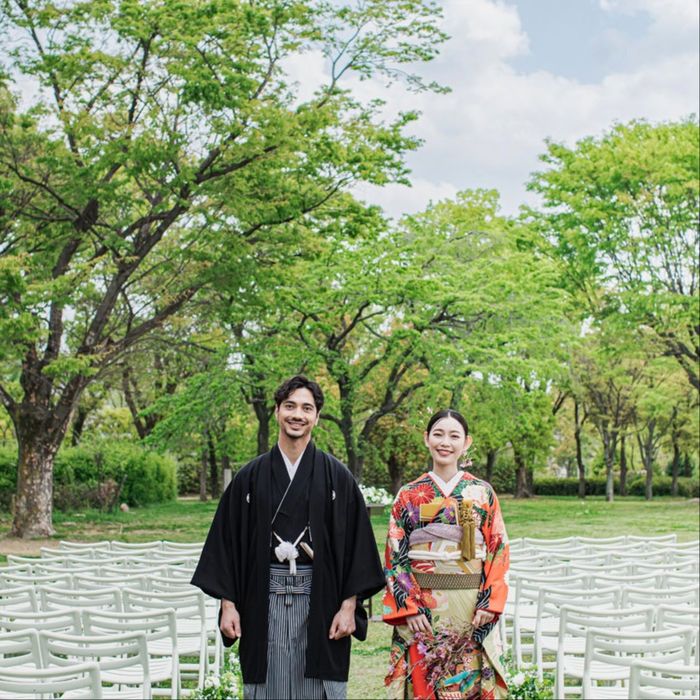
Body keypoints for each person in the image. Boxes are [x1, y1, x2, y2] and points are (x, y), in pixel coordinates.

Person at [191, 375, 385, 700]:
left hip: (322, 599)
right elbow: (226, 544)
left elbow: (358, 547)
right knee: (269, 686)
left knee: (320, 687)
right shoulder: (249, 478)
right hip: (262, 598)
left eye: (307, 408)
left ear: (317, 417)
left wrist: (349, 606)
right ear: (277, 411)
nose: (298, 415)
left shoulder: (338, 477)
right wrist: (228, 605)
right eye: (290, 406)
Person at [383, 409, 509, 699]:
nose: (445, 442)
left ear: (466, 442)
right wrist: (409, 606)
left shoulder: (482, 492)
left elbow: (498, 548)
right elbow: (395, 553)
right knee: (425, 677)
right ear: (426, 438)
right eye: (438, 434)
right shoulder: (409, 494)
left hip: (472, 605)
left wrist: (490, 603)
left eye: (454, 436)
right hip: (423, 607)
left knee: (469, 679)